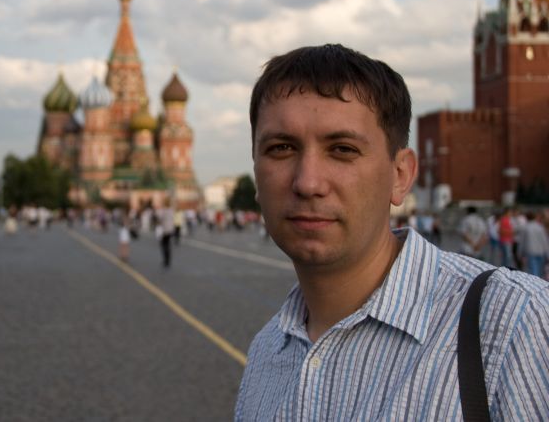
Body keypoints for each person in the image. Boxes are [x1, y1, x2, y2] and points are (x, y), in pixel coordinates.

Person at [235, 44, 549, 420]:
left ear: (400, 175)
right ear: (257, 174)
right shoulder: (266, 351)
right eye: (282, 148)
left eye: (343, 149)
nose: (308, 182)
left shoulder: (517, 326)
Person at [518, 211, 549, 278]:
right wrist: (547, 253)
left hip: (530, 251)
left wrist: (520, 253)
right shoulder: (540, 227)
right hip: (541, 251)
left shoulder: (525, 228)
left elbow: (522, 242)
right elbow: (544, 241)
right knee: (540, 271)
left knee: (533, 271)